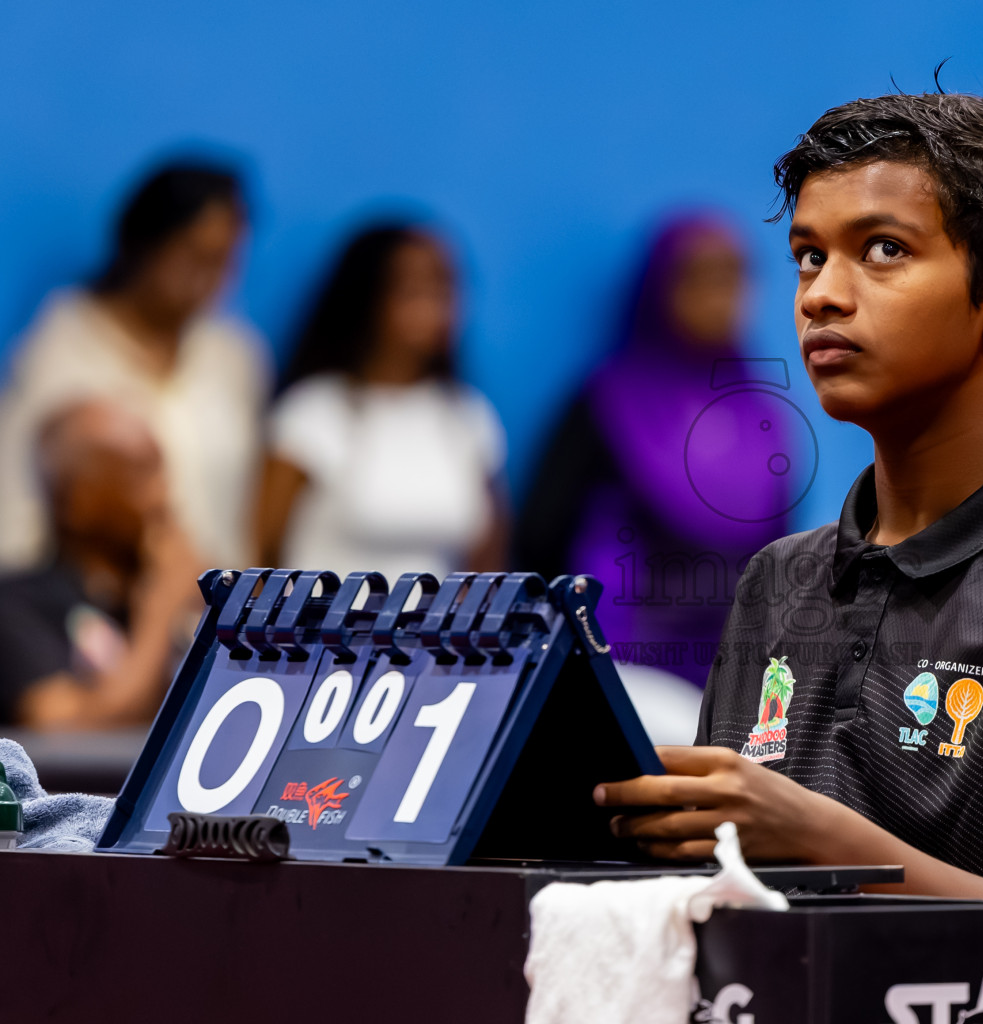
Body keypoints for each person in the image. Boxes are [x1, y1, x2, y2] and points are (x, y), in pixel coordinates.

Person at [594, 92, 983, 909]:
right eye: (809, 256)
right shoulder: (776, 578)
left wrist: (824, 841)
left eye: (882, 249)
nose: (820, 296)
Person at [515, 215, 792, 687]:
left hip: (732, 668)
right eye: (700, 277)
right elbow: (543, 537)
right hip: (621, 665)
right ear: (659, 286)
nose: (719, 296)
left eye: (733, 277)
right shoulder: (607, 402)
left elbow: (779, 550)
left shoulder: (759, 412)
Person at [0, 159, 267, 570]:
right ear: (144, 242)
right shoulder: (65, 344)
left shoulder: (234, 356)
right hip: (91, 616)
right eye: (191, 255)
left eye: (222, 262)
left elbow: (243, 509)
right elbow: (18, 498)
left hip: (210, 611)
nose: (204, 279)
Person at [256, 223, 508, 584]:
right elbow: (263, 557)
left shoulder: (468, 415)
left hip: (433, 638)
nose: (436, 306)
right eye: (413, 290)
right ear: (366, 296)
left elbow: (490, 561)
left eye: (446, 287)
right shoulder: (311, 413)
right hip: (324, 637)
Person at [0, 400, 204, 728]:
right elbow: (64, 727)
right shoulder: (16, 606)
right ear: (78, 502)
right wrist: (161, 607)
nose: (162, 497)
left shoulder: (145, 598)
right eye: (140, 475)